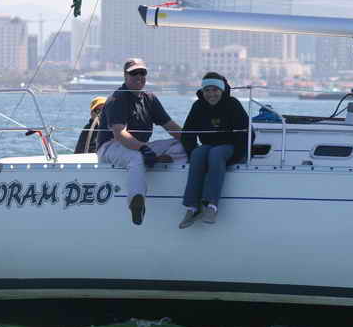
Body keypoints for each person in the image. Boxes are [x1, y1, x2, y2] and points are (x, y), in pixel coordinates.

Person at [96, 58, 186, 225]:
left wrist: (193, 142)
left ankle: (158, 160)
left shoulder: (149, 98)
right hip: (111, 147)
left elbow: (170, 126)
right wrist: (143, 149)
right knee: (136, 158)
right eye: (134, 73)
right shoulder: (117, 99)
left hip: (139, 146)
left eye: (142, 73)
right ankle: (136, 203)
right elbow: (119, 134)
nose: (139, 76)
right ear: (125, 76)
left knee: (182, 145)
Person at [178, 72, 250, 228]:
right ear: (202, 91)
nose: (211, 94)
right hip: (209, 145)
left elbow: (247, 134)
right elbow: (187, 134)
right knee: (198, 154)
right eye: (207, 90)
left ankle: (211, 205)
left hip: (230, 146)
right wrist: (191, 152)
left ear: (222, 90)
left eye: (215, 90)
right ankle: (193, 207)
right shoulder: (198, 106)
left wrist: (236, 157)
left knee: (216, 154)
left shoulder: (232, 104)